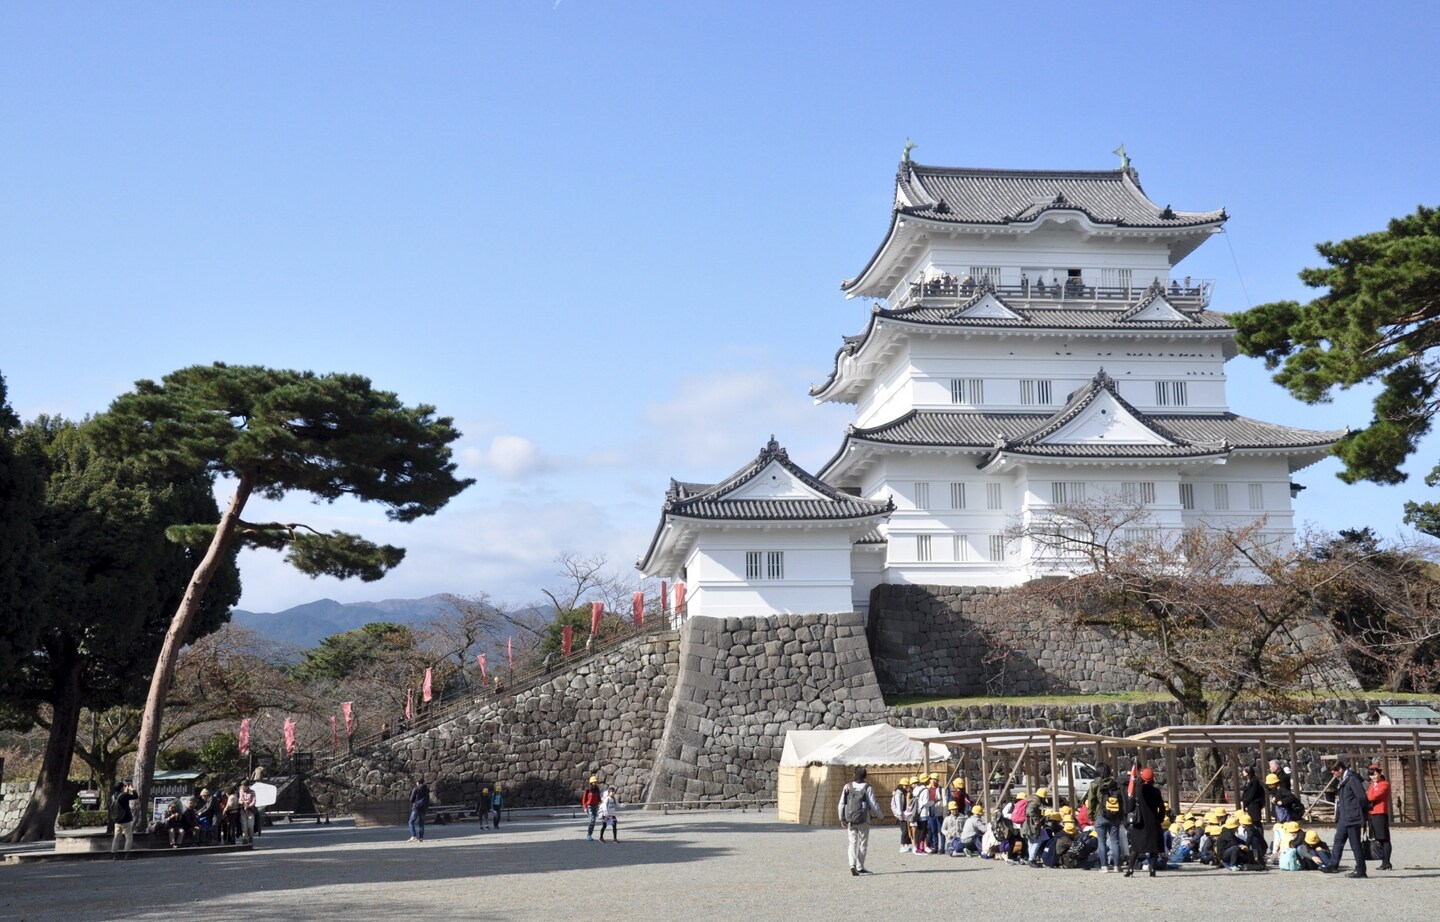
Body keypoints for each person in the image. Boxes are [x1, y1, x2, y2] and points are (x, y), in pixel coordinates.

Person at [1321, 760, 1368, 877]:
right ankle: (1333, 864)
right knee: (1338, 840)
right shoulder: (1343, 780)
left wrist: (1362, 812)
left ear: (1340, 770)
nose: (1334, 775)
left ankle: (1361, 869)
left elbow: (1362, 797)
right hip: (1344, 817)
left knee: (1355, 844)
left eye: (1334, 773)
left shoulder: (1352, 779)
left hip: (1352, 817)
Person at [837, 766, 881, 876]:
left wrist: (841, 818)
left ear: (854, 775)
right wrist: (880, 815)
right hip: (864, 819)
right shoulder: (867, 787)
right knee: (863, 843)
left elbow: (841, 803)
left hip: (851, 819)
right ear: (865, 776)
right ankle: (860, 866)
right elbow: (873, 804)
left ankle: (852, 865)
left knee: (852, 842)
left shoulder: (848, 786)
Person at [1125, 766, 1165, 877]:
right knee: (1153, 848)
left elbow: (1130, 807)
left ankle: (1130, 869)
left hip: (1139, 821)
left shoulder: (1137, 790)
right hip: (1153, 822)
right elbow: (1161, 808)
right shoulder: (1156, 791)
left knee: (1135, 847)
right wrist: (1159, 819)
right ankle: (1152, 869)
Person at [1366, 763, 1393, 870]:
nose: (1373, 776)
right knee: (1378, 838)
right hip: (1373, 812)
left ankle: (1386, 861)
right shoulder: (1373, 785)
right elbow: (1370, 796)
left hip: (1380, 812)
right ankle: (1384, 861)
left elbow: (1373, 796)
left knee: (1384, 838)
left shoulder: (1384, 784)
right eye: (1371, 775)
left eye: (1375, 774)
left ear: (1380, 773)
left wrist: (1369, 797)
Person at [109, 781, 138, 859]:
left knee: (116, 837)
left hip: (117, 820)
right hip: (126, 819)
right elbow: (135, 796)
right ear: (122, 787)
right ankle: (127, 853)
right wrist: (132, 790)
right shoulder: (124, 795)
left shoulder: (113, 796)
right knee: (129, 837)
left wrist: (126, 791)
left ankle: (114, 854)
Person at [890, 777, 911, 853]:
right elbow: (898, 805)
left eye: (907, 785)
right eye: (905, 785)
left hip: (905, 813)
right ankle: (902, 845)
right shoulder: (898, 793)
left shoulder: (903, 792)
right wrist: (899, 815)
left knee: (907, 829)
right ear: (901, 785)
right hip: (901, 814)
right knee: (904, 830)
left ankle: (906, 844)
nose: (906, 787)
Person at [582, 775, 603, 840]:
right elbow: (584, 799)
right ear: (591, 783)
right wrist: (585, 807)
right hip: (589, 806)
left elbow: (599, 798)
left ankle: (590, 834)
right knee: (592, 820)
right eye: (593, 782)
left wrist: (602, 802)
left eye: (595, 782)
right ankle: (589, 834)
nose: (595, 783)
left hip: (595, 806)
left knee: (593, 821)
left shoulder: (597, 789)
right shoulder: (587, 790)